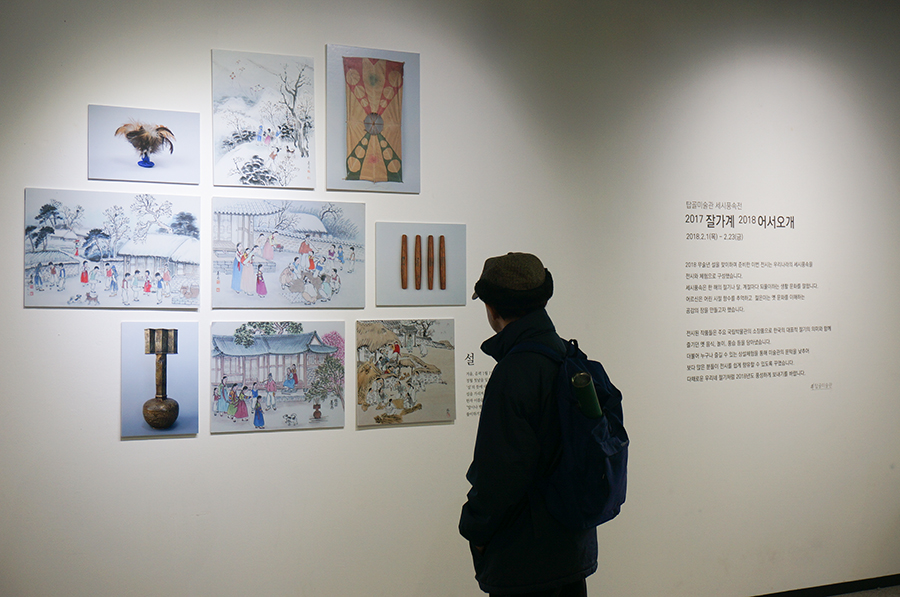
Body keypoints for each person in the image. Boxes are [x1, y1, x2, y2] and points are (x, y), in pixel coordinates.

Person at [459, 252, 597, 597]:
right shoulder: (567, 357)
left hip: (523, 561)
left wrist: (474, 530)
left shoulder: (513, 372)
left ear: (492, 308)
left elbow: (499, 475)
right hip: (572, 549)